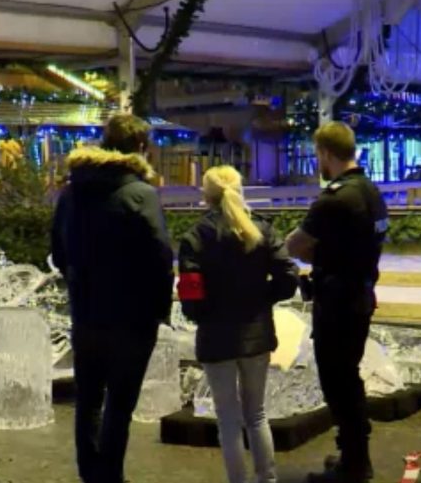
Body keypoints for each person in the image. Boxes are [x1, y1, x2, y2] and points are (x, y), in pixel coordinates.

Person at [50, 114, 174, 483]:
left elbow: (58, 252)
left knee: (87, 400)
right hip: (131, 321)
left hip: (86, 314)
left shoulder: (72, 192)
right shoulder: (141, 194)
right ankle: (111, 476)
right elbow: (160, 257)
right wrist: (159, 309)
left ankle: (92, 475)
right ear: (140, 148)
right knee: (119, 405)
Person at [177, 165, 298, 483]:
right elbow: (289, 277)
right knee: (257, 415)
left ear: (206, 195)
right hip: (257, 335)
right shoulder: (263, 229)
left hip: (216, 338)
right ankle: (267, 478)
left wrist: (204, 315)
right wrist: (262, 298)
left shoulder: (195, 237)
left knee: (228, 420)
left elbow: (189, 294)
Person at [285, 122, 388, 483]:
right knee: (349, 377)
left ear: (325, 153)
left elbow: (294, 245)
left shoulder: (334, 199)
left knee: (337, 382)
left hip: (337, 303)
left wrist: (316, 253)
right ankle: (354, 456)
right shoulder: (371, 193)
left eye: (318, 155)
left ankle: (354, 466)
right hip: (361, 296)